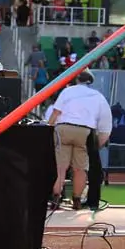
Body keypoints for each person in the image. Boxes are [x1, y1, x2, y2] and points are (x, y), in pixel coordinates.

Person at [46, 70, 113, 209]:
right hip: (84, 131)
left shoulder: (68, 91)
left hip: (63, 128)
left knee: (60, 168)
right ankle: (76, 200)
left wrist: (47, 129)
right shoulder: (98, 96)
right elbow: (105, 125)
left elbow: (56, 112)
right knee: (80, 168)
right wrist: (97, 145)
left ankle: (56, 198)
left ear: (76, 80)